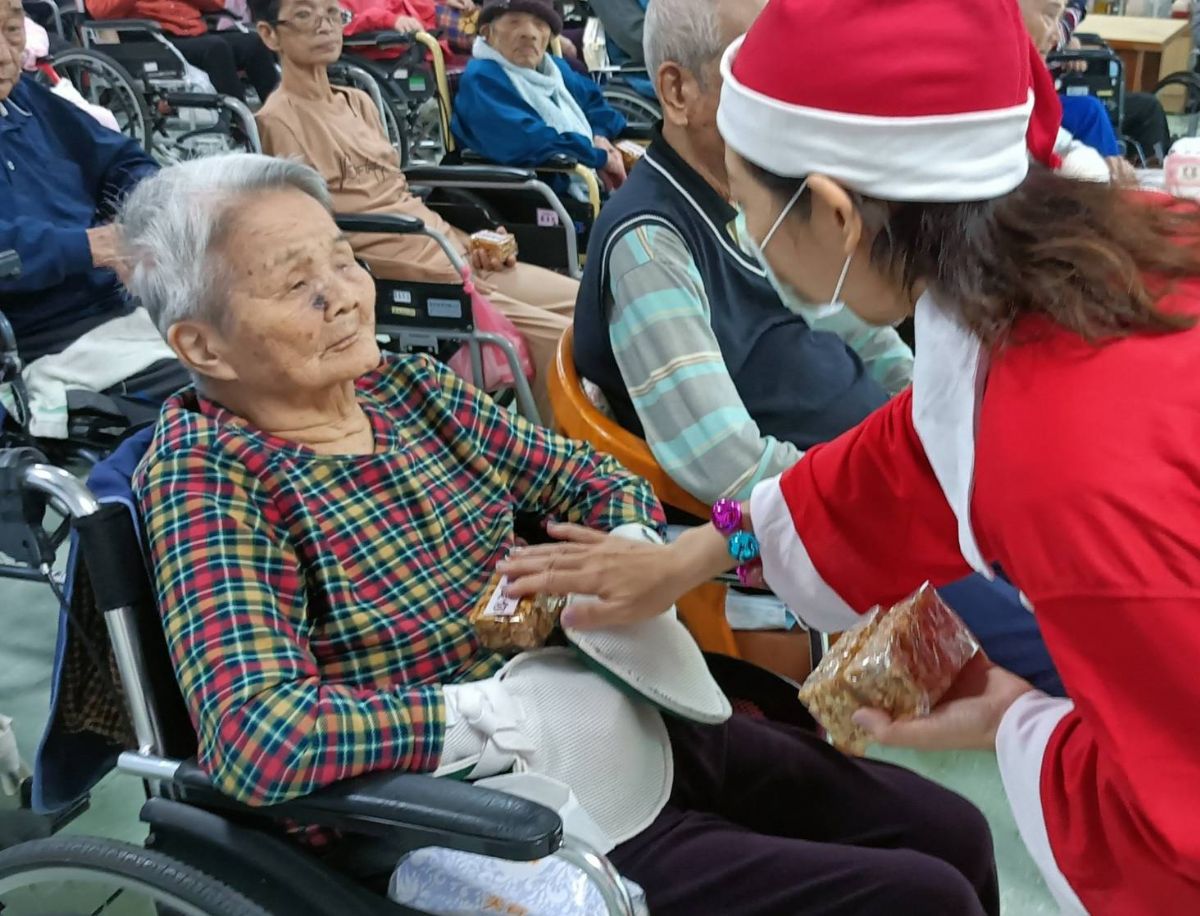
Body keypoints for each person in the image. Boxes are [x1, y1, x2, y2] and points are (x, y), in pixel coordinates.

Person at [121, 152, 1001, 916]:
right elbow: (261, 738)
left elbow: (595, 477)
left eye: (344, 260)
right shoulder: (213, 477)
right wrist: (481, 718)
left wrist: (623, 547)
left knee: (953, 831)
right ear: (204, 345)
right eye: (294, 285)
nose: (344, 297)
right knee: (921, 899)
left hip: (608, 706)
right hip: (475, 810)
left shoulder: (411, 392)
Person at [499, 0, 1200, 912]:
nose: (747, 238)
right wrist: (697, 552)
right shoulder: (1085, 261)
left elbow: (1174, 820)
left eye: (752, 211)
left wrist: (1028, 727)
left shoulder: (1068, 462)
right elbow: (898, 456)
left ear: (835, 213)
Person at [573, 0, 1063, 694]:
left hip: (885, 489)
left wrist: (928, 417)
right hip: (864, 511)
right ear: (678, 90)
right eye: (748, 61)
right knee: (1041, 633)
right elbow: (733, 470)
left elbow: (861, 332)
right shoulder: (657, 243)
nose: (778, 80)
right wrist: (883, 492)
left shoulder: (770, 197)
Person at [250, 0, 579, 423]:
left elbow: (399, 187)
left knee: (584, 306)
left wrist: (471, 235)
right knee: (560, 338)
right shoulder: (277, 121)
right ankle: (548, 451)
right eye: (304, 15)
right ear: (269, 34)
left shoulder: (358, 101)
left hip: (446, 244)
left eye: (333, 13)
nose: (325, 26)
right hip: (406, 267)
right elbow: (310, 227)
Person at [0, 6, 185, 438]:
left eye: (11, 30)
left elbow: (122, 160)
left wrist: (140, 210)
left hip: (124, 306)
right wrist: (88, 247)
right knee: (229, 393)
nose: (6, 55)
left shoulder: (25, 100)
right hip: (41, 337)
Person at [451, 0, 629, 193]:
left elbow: (597, 106)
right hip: (529, 197)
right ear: (487, 32)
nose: (529, 33)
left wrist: (599, 136)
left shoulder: (555, 69)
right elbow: (526, 140)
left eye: (539, 24)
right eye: (514, 22)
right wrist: (596, 156)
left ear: (550, 35)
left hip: (580, 188)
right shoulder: (482, 77)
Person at [85, 0, 279, 106]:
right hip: (151, 39)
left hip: (190, 31)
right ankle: (241, 127)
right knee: (216, 48)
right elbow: (99, 11)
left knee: (253, 43)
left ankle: (279, 113)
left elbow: (211, 4)